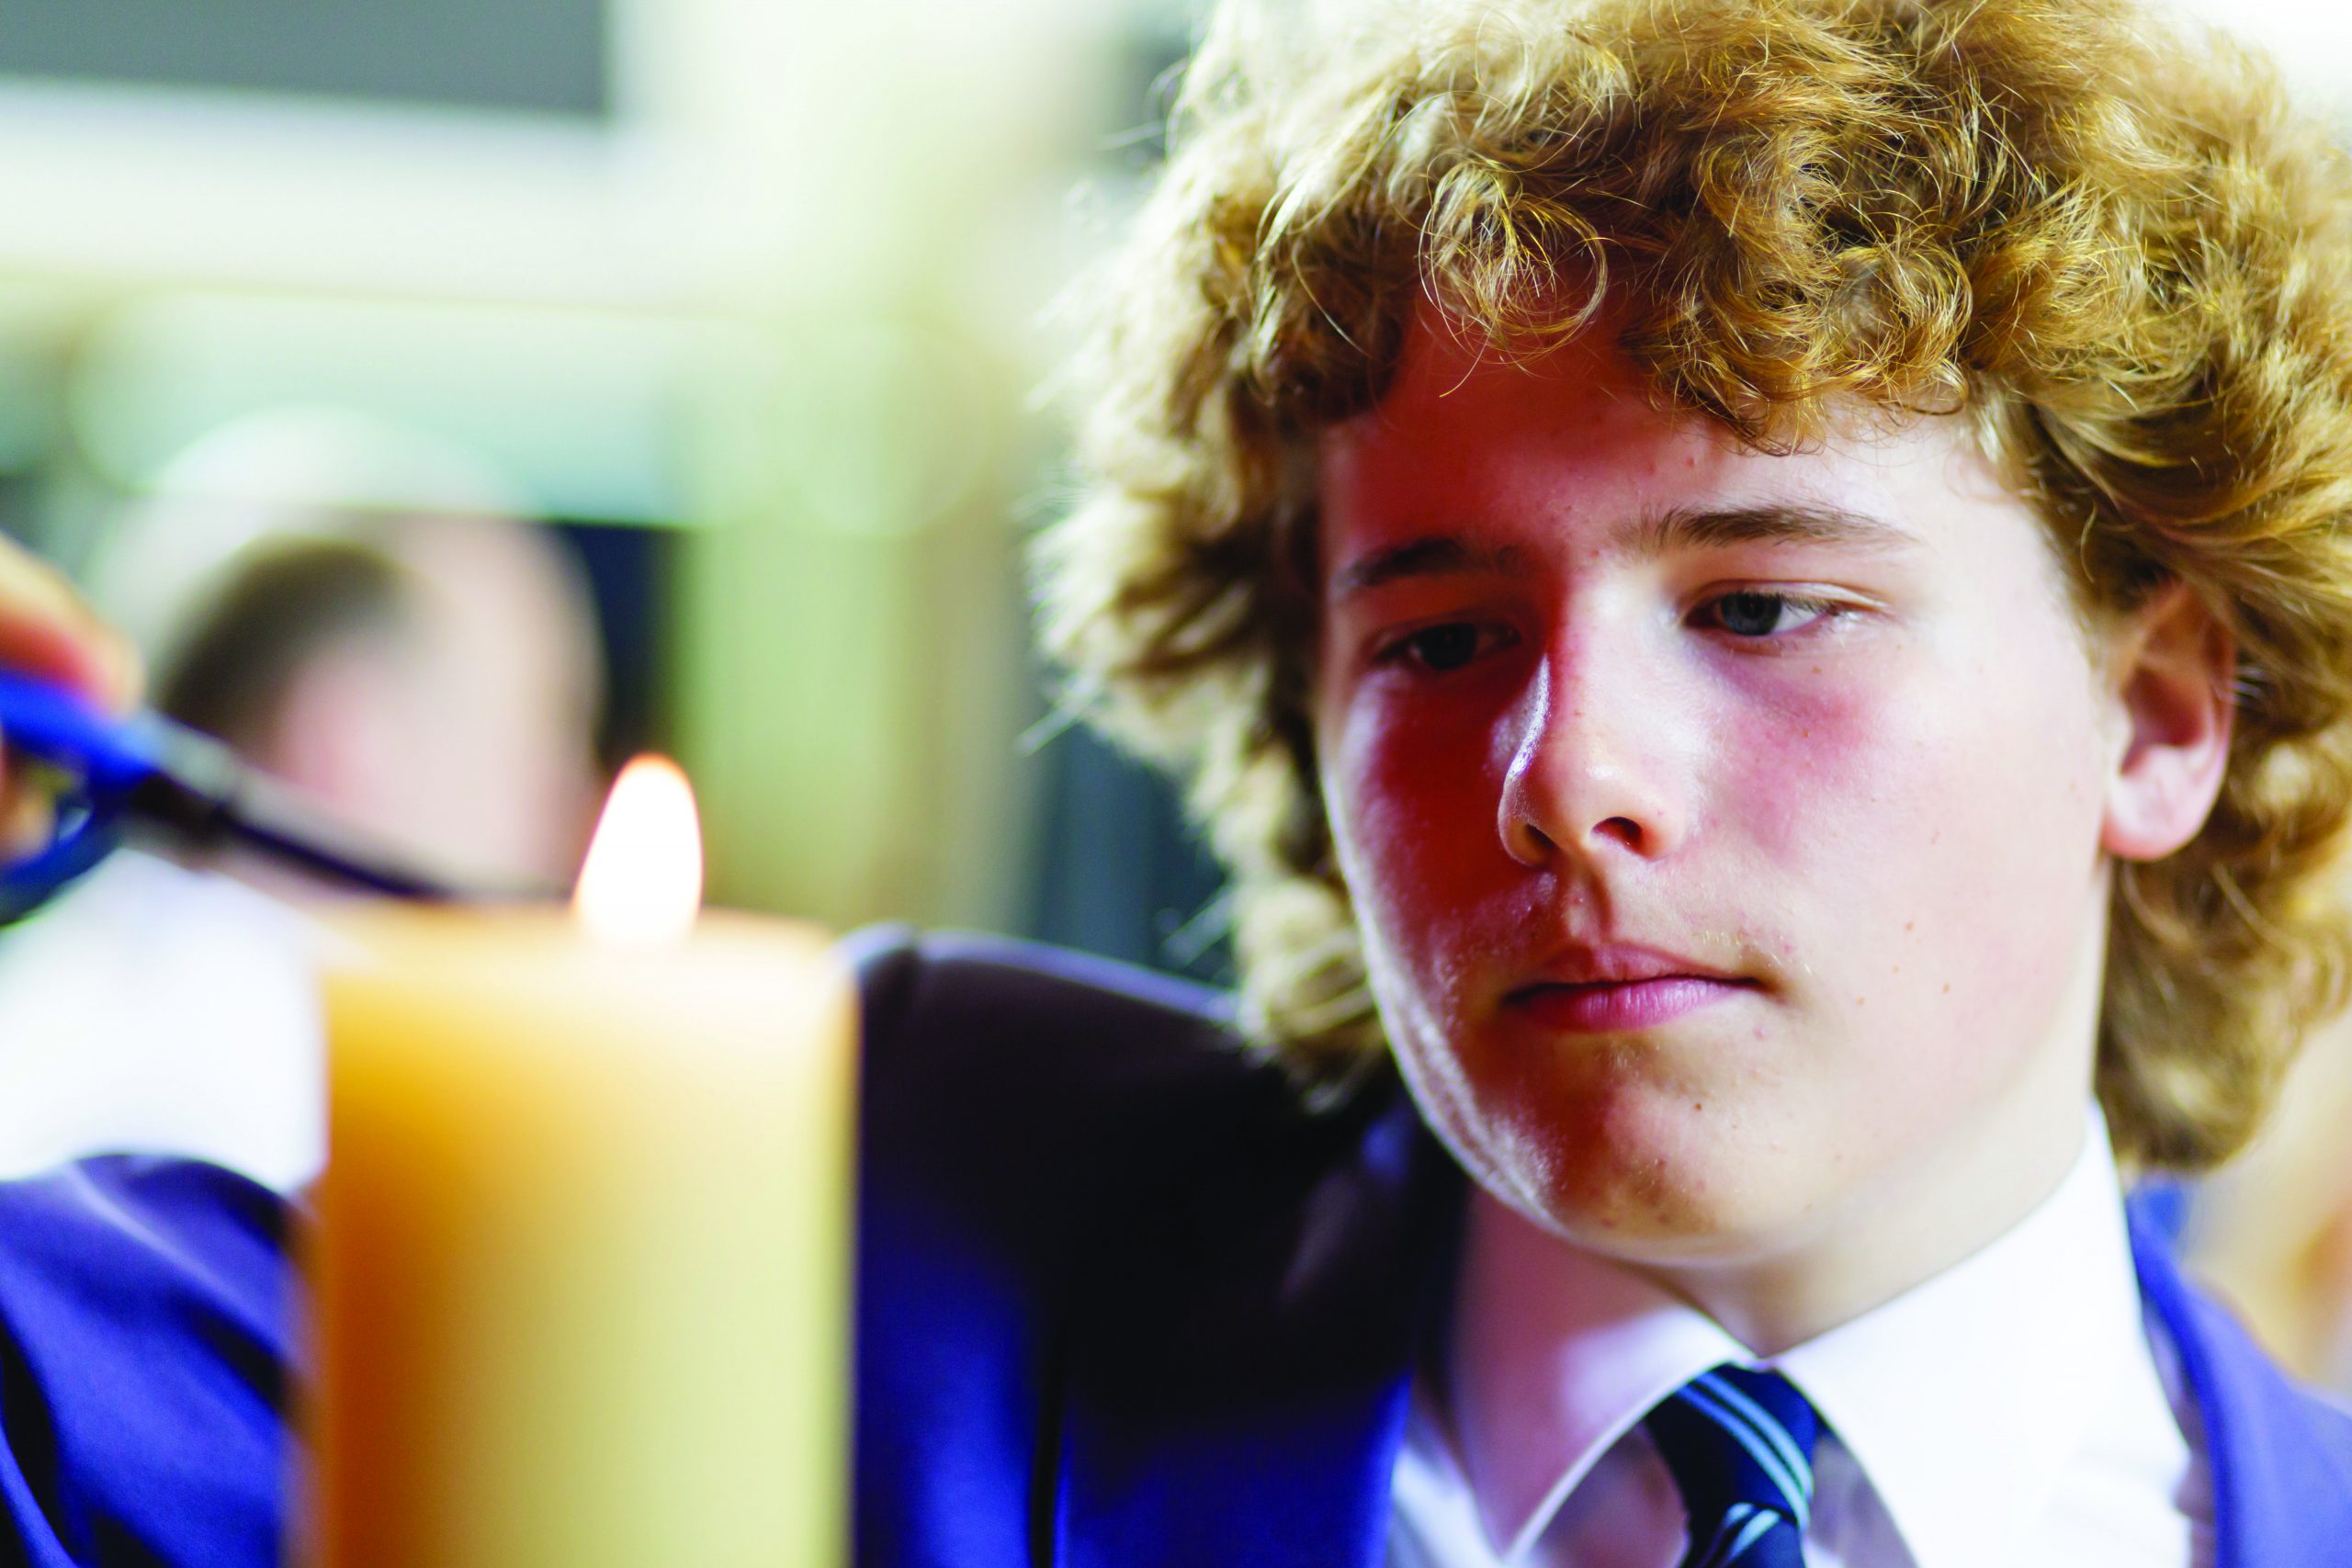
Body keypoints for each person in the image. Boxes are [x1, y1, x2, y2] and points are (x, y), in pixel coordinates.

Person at [854, 0, 2352, 1565]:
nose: (1564, 775)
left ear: (2164, 715)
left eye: (1759, 609)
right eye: (1441, 643)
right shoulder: (882, 1228)